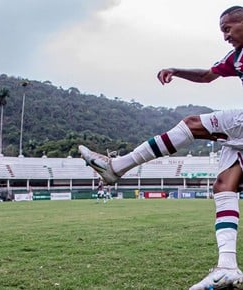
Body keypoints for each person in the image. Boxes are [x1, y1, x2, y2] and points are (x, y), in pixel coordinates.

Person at [79, 6, 243, 290]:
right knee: (223, 186)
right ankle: (227, 266)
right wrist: (176, 70)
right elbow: (207, 75)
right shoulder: (236, 57)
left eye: (228, 28)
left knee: (192, 124)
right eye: (222, 31)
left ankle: (116, 167)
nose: (225, 36)